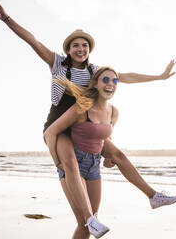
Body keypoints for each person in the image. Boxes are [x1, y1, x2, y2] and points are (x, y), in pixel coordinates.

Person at [0, 0, 176, 234]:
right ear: (68, 49)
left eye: (85, 46)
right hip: (60, 128)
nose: (81, 49)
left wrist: (158, 77)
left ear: (89, 50)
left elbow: (127, 76)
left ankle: (153, 196)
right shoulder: (58, 64)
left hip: (85, 125)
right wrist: (7, 19)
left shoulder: (94, 71)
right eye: (76, 46)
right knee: (69, 163)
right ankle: (90, 219)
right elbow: (33, 41)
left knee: (118, 154)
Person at [45, 67, 121, 238]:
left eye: (115, 81)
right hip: (73, 163)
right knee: (85, 222)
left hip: (94, 166)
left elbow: (101, 138)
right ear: (95, 83)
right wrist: (58, 163)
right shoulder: (82, 107)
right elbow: (50, 132)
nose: (111, 84)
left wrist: (108, 156)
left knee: (88, 226)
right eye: (106, 80)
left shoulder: (113, 112)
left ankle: (152, 195)